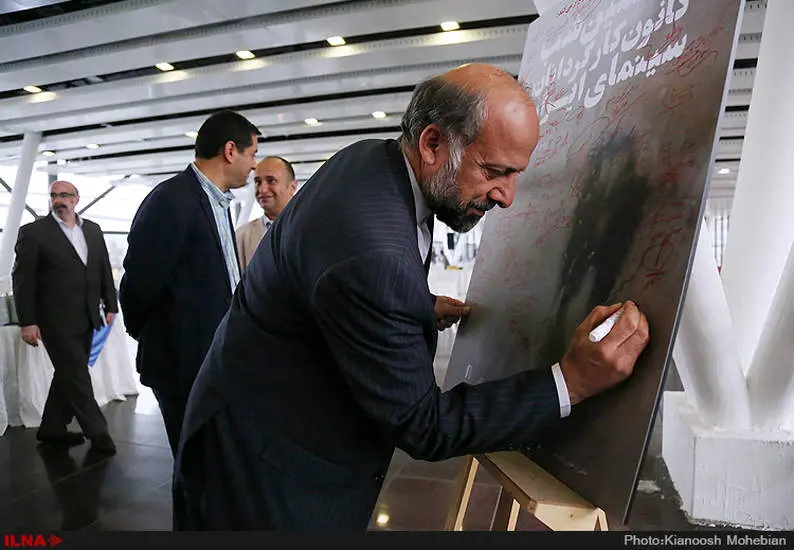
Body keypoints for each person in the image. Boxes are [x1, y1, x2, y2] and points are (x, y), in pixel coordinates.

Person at [173, 63, 650, 530]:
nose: (507, 196)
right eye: (494, 171)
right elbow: (422, 424)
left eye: (516, 173)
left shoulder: (371, 159)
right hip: (266, 479)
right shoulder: (373, 255)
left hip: (244, 422)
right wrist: (570, 380)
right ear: (433, 143)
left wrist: (415, 305)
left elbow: (330, 286)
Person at [119, 110, 260, 455]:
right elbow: (139, 284)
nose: (253, 165)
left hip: (212, 359)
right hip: (182, 363)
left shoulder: (217, 203)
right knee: (193, 464)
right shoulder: (173, 199)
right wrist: (157, 336)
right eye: (252, 153)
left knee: (212, 462)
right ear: (230, 151)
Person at [12, 180, 118, 454]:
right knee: (77, 375)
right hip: (54, 319)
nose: (59, 200)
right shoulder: (34, 233)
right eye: (54, 195)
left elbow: (102, 267)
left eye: (65, 195)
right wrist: (28, 321)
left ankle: (52, 428)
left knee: (68, 374)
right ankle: (99, 432)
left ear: (76, 199)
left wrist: (111, 303)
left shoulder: (92, 230)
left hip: (87, 315)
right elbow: (23, 280)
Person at [236, 156, 297, 270]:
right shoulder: (242, 236)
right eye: (258, 182)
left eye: (271, 181)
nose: (262, 189)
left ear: (292, 187)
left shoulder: (309, 228)